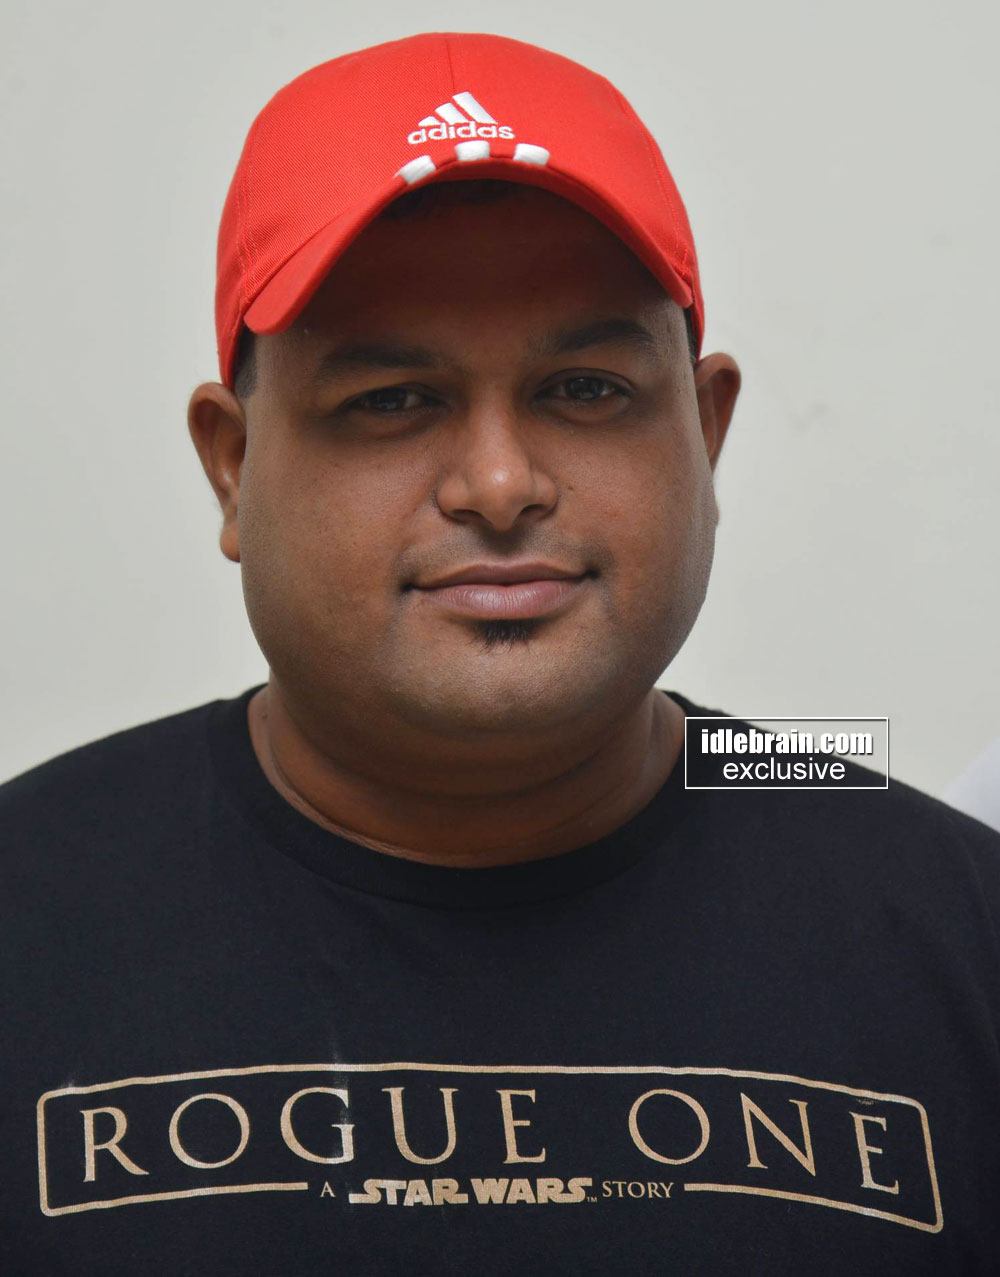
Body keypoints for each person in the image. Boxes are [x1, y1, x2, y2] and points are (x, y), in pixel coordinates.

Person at [2, 31, 999, 1276]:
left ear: (705, 435)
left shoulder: (960, 924)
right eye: (390, 399)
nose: (498, 481)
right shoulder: (29, 909)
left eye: (584, 389)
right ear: (233, 464)